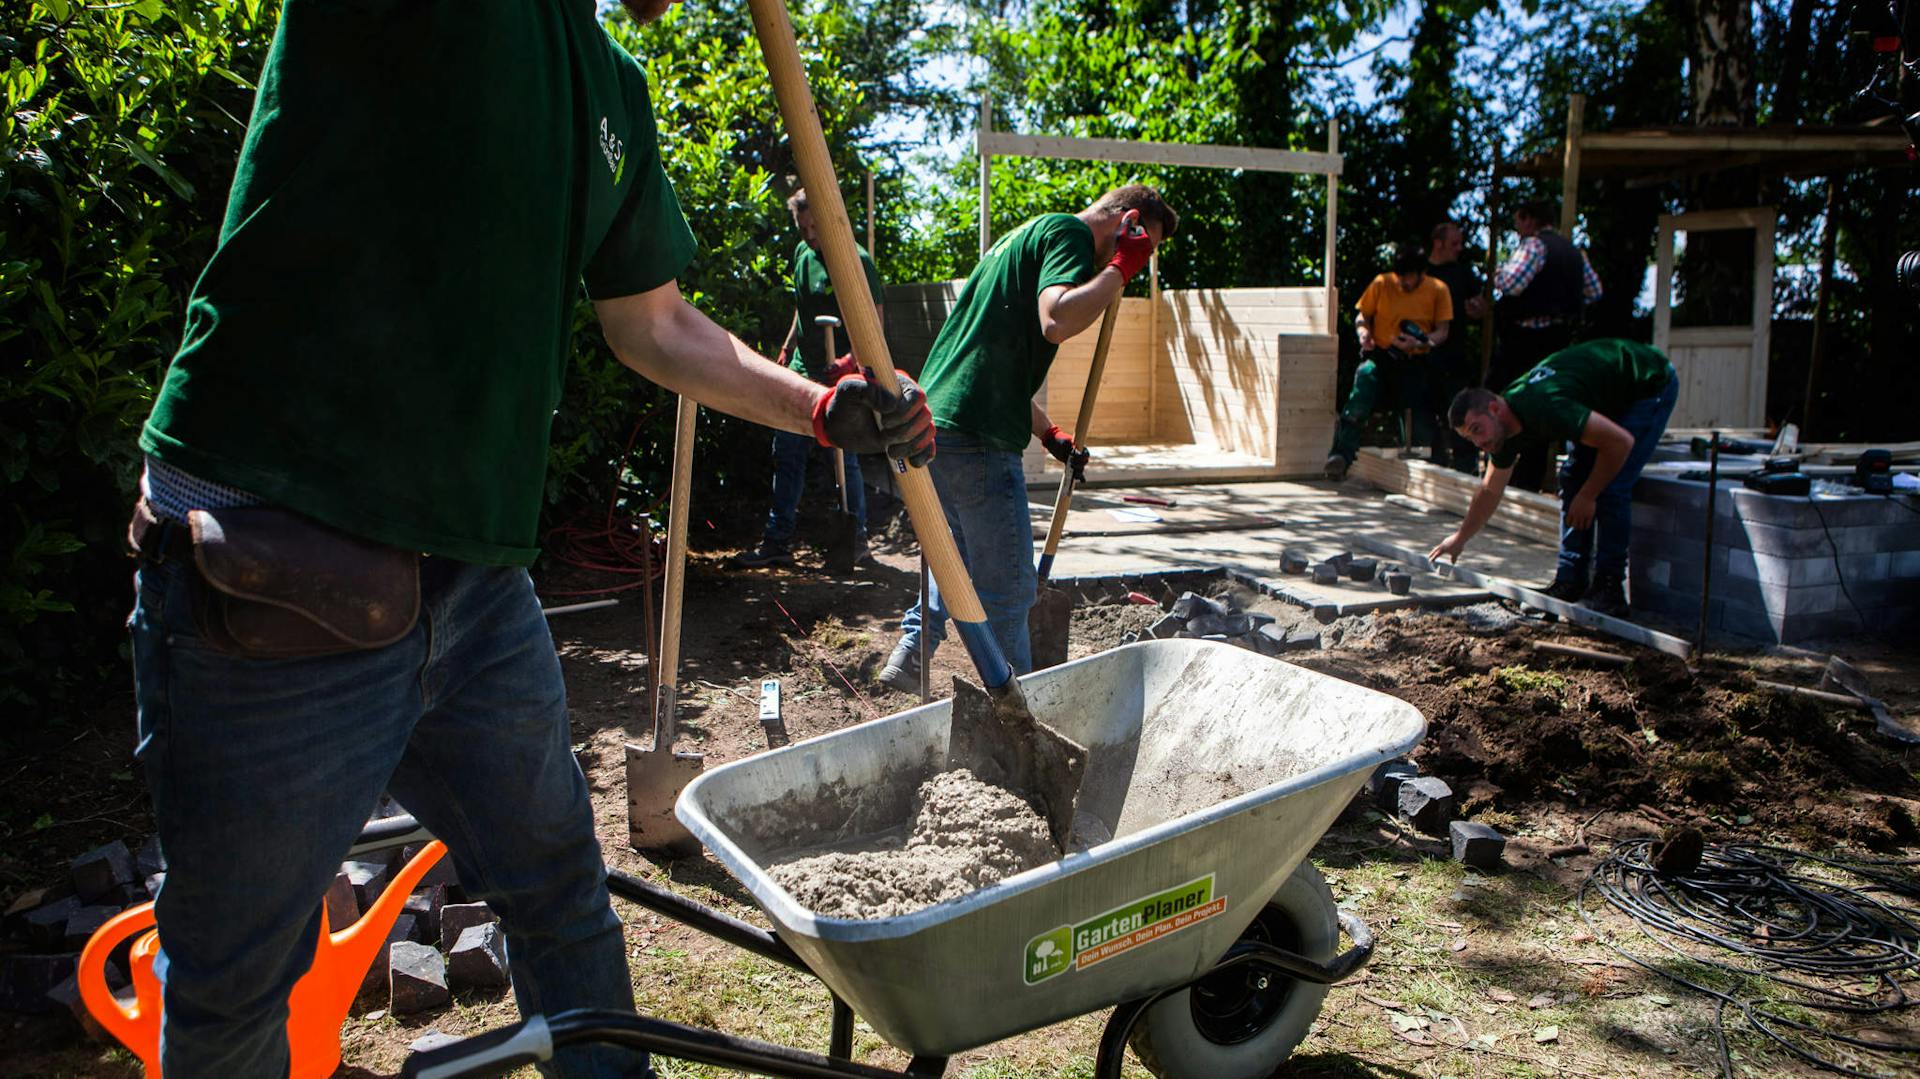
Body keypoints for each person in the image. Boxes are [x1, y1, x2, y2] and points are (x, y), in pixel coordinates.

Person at [124, 3, 932, 1077]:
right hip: (273, 552)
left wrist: (820, 410)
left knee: (561, 893)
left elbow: (654, 320)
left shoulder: (610, 86)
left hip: (473, 586)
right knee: (233, 986)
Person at [876, 186, 1178, 692]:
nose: (1143, 260)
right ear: (1128, 223)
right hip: (979, 439)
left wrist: (1050, 434)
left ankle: (911, 654)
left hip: (935, 426)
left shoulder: (1019, 241)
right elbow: (1056, 319)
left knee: (955, 560)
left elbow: (985, 368)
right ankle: (1013, 715)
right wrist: (1121, 267)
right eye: (1146, 246)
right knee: (1009, 591)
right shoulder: (1070, 234)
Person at [1428, 338, 1679, 617]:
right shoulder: (1503, 431)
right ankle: (1570, 581)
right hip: (1597, 394)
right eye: (1469, 437)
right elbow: (1489, 490)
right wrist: (1461, 537)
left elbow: (1619, 443)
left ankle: (1609, 589)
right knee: (1573, 477)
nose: (1478, 442)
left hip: (1647, 382)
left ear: (1495, 409)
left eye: (1477, 429)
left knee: (1611, 486)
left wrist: (1589, 495)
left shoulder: (1546, 406)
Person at [733, 187, 886, 569]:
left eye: (816, 226)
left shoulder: (855, 260)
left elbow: (876, 323)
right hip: (803, 370)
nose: (811, 235)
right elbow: (801, 312)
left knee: (843, 457)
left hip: (840, 376)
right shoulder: (803, 254)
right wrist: (787, 349)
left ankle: (858, 540)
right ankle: (777, 541)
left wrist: (851, 360)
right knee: (786, 452)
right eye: (803, 228)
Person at [1488, 199, 1604, 492]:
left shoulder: (1534, 246)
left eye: (1519, 221)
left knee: (1505, 404)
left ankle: (1505, 479)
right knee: (1542, 409)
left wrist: (1496, 274)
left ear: (1529, 220)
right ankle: (1529, 479)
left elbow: (1513, 283)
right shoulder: (1574, 252)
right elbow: (1594, 291)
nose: (1517, 228)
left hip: (1526, 342)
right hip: (1559, 344)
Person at [1322, 246, 1453, 481]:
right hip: (1381, 356)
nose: (1403, 282)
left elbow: (1442, 331)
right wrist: (1364, 334)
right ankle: (1340, 457)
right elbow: (1362, 316)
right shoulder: (1382, 284)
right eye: (1400, 276)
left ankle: (1425, 472)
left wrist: (1421, 342)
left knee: (1418, 414)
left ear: (1421, 273)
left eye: (1409, 277)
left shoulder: (1437, 289)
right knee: (1360, 394)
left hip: (1416, 359)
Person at [1421, 222, 1487, 473]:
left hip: (1455, 354)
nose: (1459, 249)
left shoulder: (1463, 273)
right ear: (1438, 243)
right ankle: (1435, 468)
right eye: (1454, 244)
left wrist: (1477, 308)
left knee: (1461, 412)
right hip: (1424, 356)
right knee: (1428, 415)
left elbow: (1479, 307)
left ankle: (1465, 469)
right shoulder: (1422, 273)